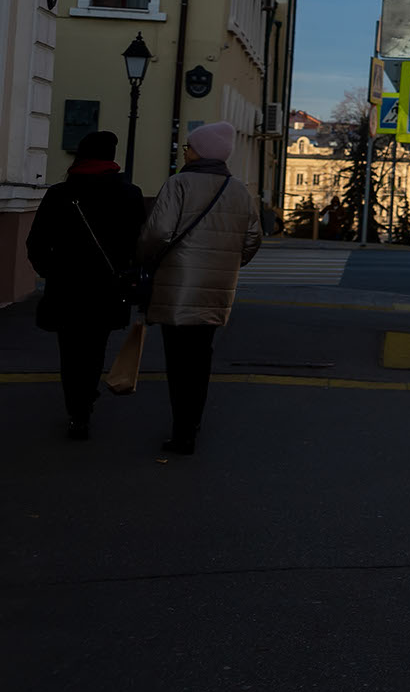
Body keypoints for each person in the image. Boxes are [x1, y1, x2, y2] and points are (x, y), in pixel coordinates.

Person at [138, 121, 262, 456]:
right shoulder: (240, 191)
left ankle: (181, 431)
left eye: (188, 147)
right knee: (200, 359)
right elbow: (252, 241)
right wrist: (225, 267)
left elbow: (158, 233)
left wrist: (146, 262)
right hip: (216, 289)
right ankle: (192, 425)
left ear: (201, 151)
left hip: (176, 288)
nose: (185, 152)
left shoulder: (178, 184)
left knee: (178, 361)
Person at [28, 131, 145, 440]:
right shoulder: (130, 194)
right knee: (95, 348)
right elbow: (140, 244)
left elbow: (36, 243)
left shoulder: (60, 194)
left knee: (70, 351)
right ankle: (85, 403)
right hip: (107, 288)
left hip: (66, 287)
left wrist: (51, 271)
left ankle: (76, 409)